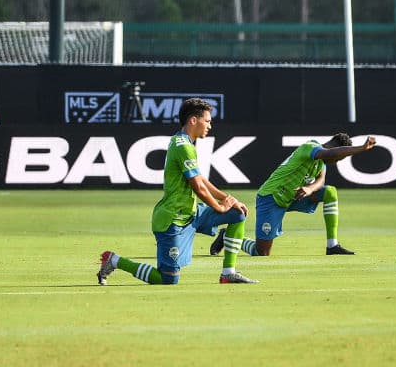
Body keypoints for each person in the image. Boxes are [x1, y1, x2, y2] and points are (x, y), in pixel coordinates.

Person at [97, 97, 257, 285]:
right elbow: (198, 187)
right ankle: (114, 260)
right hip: (173, 219)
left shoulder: (185, 143)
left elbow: (201, 180)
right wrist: (220, 207)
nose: (210, 126)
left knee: (237, 213)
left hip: (192, 213)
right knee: (168, 279)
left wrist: (229, 199)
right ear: (193, 120)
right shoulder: (183, 146)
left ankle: (228, 273)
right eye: (207, 121)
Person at [211, 132, 377, 258]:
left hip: (294, 197)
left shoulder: (321, 162)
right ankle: (227, 235)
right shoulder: (311, 147)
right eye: (338, 158)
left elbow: (320, 180)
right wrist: (361, 149)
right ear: (333, 148)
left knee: (330, 192)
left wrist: (310, 189)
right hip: (271, 198)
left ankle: (332, 245)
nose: (336, 161)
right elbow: (331, 155)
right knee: (262, 252)